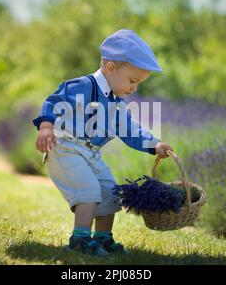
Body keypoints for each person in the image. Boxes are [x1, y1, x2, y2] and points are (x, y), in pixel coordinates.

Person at [32, 29, 174, 256]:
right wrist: (46, 127)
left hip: (91, 153)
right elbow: (54, 102)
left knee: (110, 192)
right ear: (110, 68)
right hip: (65, 148)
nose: (133, 88)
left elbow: (130, 130)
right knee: (88, 190)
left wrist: (154, 144)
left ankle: (103, 238)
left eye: (137, 84)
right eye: (132, 80)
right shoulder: (84, 86)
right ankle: (80, 239)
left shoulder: (116, 103)